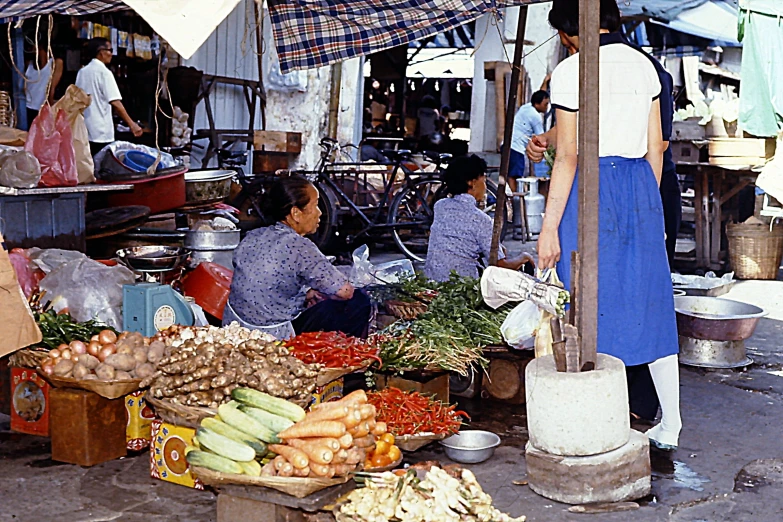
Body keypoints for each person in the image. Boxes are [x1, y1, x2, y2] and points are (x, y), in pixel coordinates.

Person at [537, 0, 681, 450]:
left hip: (590, 185)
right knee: (648, 301)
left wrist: (547, 228)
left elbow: (567, 155)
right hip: (641, 182)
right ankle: (670, 423)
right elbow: (657, 146)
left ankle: (597, 416)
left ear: (568, 31)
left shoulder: (569, 71)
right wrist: (648, 206)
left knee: (586, 299)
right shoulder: (645, 66)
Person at [224, 176, 372, 339]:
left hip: (236, 329)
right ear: (295, 213)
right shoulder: (299, 246)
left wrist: (307, 294)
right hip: (273, 336)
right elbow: (344, 292)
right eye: (315, 206)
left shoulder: (252, 236)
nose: (320, 213)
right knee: (359, 301)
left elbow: (266, 286)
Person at [425, 154, 534, 282]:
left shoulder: (440, 206)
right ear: (472, 182)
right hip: (462, 286)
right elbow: (499, 265)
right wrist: (524, 257)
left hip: (432, 281)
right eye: (484, 179)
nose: (485, 186)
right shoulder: (481, 219)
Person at [75, 38, 142, 156]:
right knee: (101, 167)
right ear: (101, 52)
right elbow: (115, 102)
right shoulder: (104, 73)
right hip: (101, 132)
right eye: (110, 50)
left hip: (85, 130)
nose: (112, 54)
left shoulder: (82, 72)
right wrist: (132, 124)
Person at [508, 90, 550, 191]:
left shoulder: (526, 107)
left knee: (512, 174)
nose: (547, 107)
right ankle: (513, 201)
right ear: (537, 103)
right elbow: (541, 137)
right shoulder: (535, 116)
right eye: (545, 104)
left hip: (509, 144)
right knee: (514, 176)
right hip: (516, 147)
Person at [24, 47, 63, 124]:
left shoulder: (55, 63)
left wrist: (49, 108)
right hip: (28, 106)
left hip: (42, 108)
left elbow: (51, 89)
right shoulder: (29, 64)